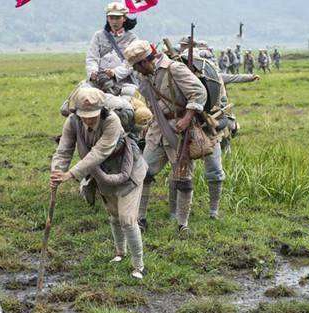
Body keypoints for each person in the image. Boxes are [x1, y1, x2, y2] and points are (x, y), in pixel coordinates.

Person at [51, 87, 148, 279]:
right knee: (113, 215)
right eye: (84, 116)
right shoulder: (72, 122)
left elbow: (98, 153)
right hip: (101, 173)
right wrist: (56, 171)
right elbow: (64, 150)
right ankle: (120, 253)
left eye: (92, 116)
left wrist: (71, 174)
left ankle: (139, 266)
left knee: (128, 220)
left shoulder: (112, 121)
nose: (88, 120)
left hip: (127, 170)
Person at [124, 39, 207, 235]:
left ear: (145, 61)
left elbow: (199, 93)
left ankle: (182, 224)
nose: (136, 71)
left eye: (137, 66)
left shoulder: (174, 69)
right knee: (143, 173)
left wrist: (187, 118)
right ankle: (140, 219)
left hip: (178, 130)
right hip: (156, 131)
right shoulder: (145, 78)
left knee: (183, 177)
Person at [86, 2, 139, 95]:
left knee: (130, 101)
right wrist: (93, 72)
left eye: (118, 18)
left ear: (124, 18)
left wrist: (114, 73)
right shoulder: (98, 36)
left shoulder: (132, 38)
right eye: (111, 18)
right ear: (107, 18)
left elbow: (130, 62)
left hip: (123, 83)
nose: (114, 21)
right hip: (98, 81)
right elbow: (92, 58)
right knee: (79, 98)